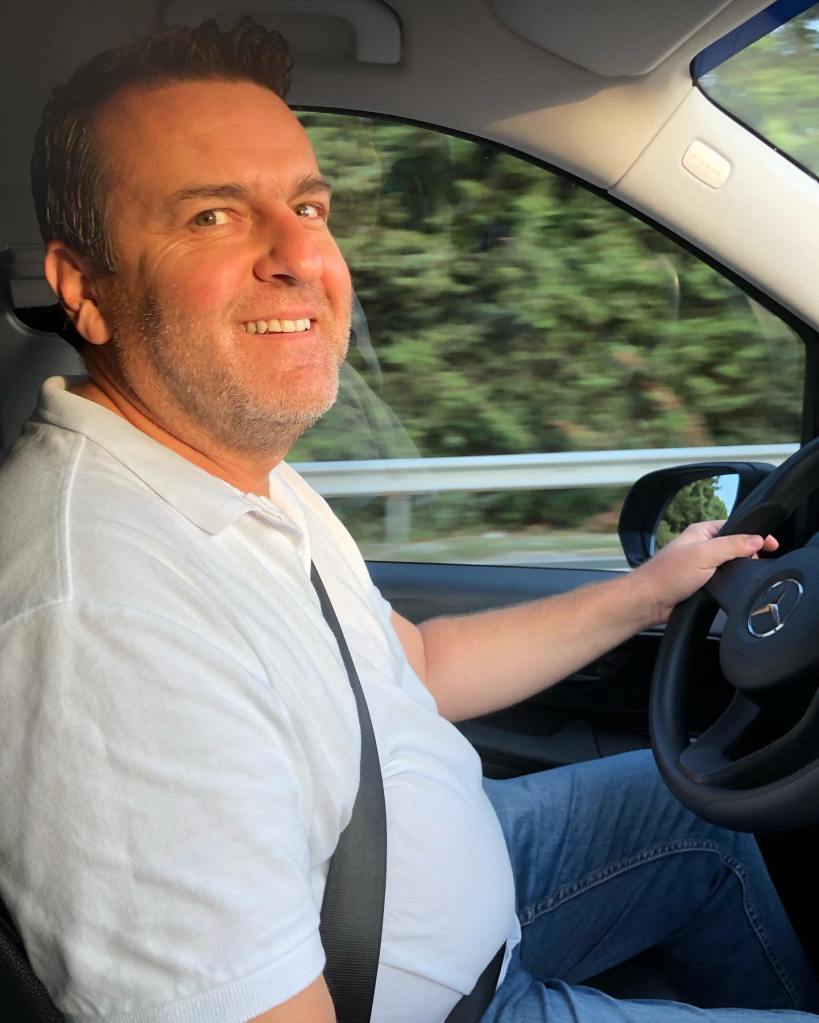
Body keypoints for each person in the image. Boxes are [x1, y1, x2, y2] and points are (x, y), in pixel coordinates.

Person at [0, 18, 816, 1023]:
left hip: (465, 876)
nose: (302, 254)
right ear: (83, 287)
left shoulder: (227, 470)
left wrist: (652, 589)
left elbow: (415, 666)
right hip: (447, 1001)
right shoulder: (101, 628)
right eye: (213, 215)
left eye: (308, 205)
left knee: (699, 811)